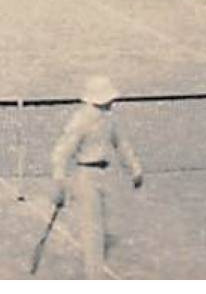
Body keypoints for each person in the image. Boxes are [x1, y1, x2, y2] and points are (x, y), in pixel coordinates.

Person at [49, 76, 143, 279]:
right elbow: (61, 153)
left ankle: (95, 273)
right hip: (85, 178)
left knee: (100, 228)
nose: (112, 102)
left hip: (104, 175)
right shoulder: (80, 121)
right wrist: (59, 183)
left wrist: (134, 169)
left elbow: (121, 144)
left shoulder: (110, 118)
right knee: (92, 231)